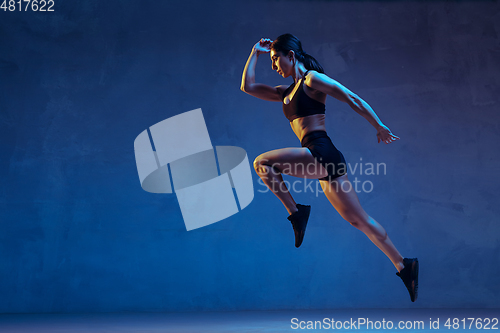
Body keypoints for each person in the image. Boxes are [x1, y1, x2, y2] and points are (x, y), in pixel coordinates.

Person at [240, 33, 418, 302]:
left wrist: (379, 125)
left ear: (292, 55)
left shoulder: (311, 80)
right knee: (359, 219)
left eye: (276, 59)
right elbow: (248, 87)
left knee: (262, 163)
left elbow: (351, 98)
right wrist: (255, 52)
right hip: (324, 160)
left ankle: (297, 212)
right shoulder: (284, 92)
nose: (274, 65)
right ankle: (404, 265)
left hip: (320, 152)